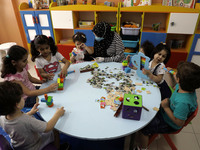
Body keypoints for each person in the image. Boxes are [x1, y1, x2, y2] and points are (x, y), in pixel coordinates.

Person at [134, 61, 200, 150]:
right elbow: (173, 86)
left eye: (177, 73)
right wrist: (171, 76)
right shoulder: (186, 87)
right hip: (167, 111)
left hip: (169, 123)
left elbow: (179, 123)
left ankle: (142, 148)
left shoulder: (183, 102)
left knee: (144, 128)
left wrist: (166, 107)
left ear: (179, 79)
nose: (175, 72)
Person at [0, 81, 65, 150]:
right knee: (55, 130)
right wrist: (58, 114)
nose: (23, 98)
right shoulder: (26, 120)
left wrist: (30, 112)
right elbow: (48, 127)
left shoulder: (2, 118)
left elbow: (16, 122)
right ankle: (58, 147)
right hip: (34, 146)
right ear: (17, 105)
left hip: (18, 145)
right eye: (21, 97)